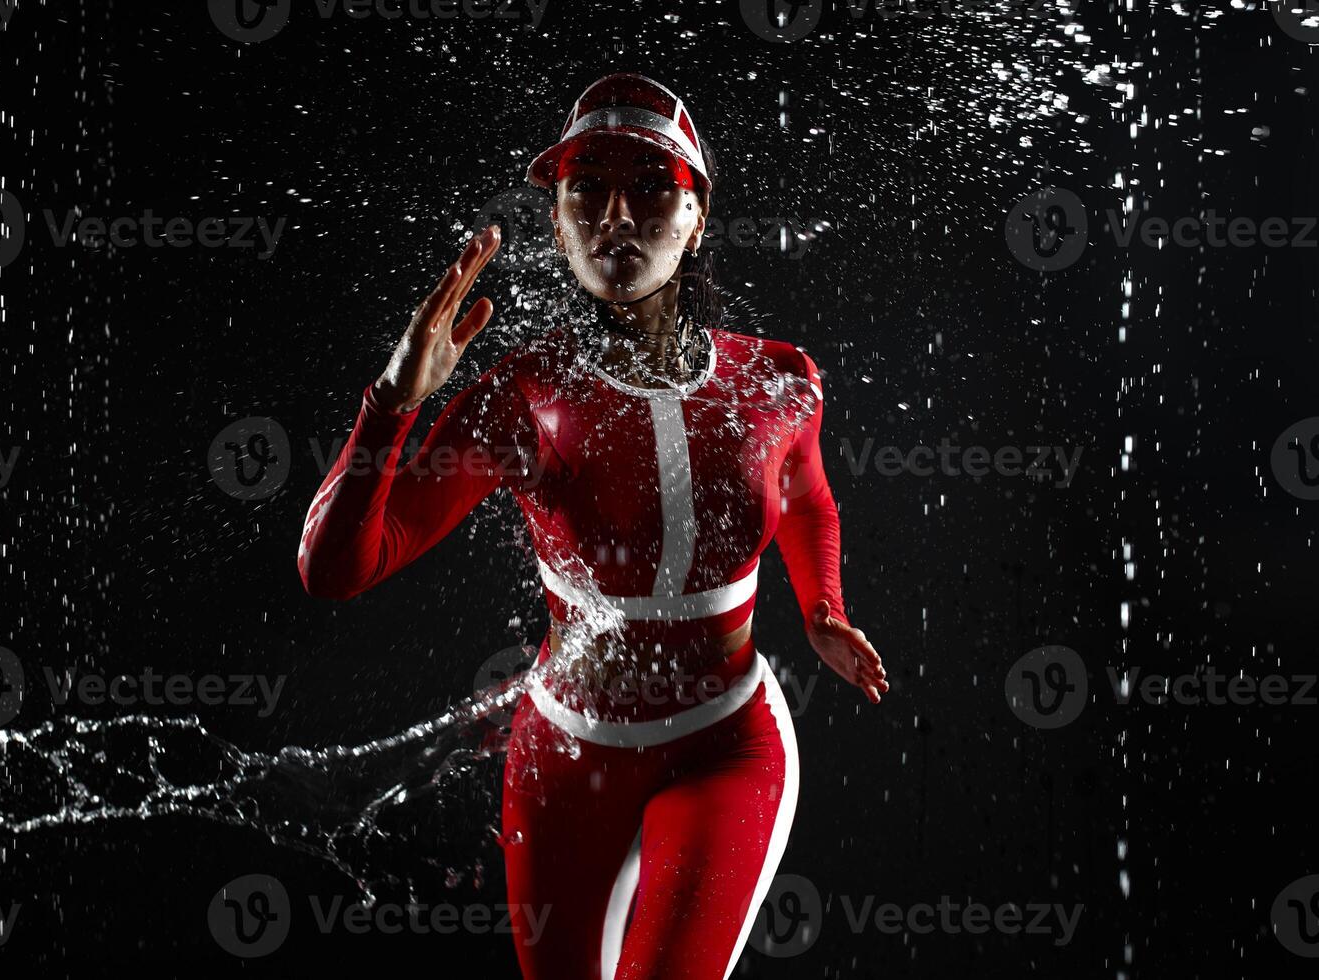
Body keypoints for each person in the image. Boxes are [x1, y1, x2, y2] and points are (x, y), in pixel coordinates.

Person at [298, 72, 888, 980]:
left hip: (727, 744)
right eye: (588, 186)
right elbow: (340, 569)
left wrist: (824, 609)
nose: (616, 210)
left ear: (696, 219)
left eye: (652, 184)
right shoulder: (522, 397)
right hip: (563, 760)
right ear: (560, 221)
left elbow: (809, 497)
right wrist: (390, 406)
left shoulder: (779, 381)